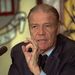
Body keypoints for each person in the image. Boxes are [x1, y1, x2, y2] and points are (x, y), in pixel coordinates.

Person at [8, 4, 75, 75]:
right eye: (35, 26)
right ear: (29, 28)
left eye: (47, 26)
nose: (41, 32)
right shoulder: (19, 52)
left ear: (57, 28)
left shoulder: (71, 53)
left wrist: (37, 71)